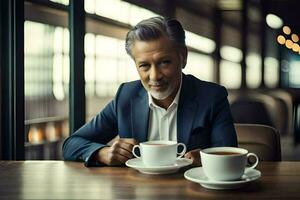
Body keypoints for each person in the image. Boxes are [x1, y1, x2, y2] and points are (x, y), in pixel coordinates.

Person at [62, 17, 237, 167]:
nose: (155, 76)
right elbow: (71, 145)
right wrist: (104, 153)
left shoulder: (212, 97)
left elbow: (230, 156)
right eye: (144, 66)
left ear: (183, 57)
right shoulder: (126, 95)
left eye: (164, 62)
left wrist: (207, 159)